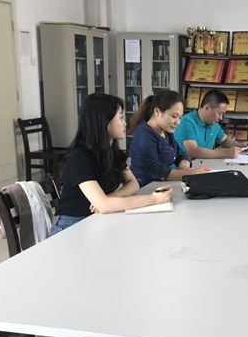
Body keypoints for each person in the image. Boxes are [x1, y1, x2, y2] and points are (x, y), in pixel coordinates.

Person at [50, 93, 172, 235]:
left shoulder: (111, 152)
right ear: (104, 121)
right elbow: (104, 206)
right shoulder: (79, 158)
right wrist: (154, 199)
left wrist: (111, 197)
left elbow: (133, 184)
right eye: (120, 117)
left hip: (96, 220)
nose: (125, 123)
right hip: (71, 226)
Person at [129, 90, 211, 187]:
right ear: (157, 112)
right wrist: (192, 173)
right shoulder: (143, 135)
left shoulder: (167, 132)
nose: (178, 123)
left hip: (161, 185)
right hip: (144, 188)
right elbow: (156, 171)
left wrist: (184, 163)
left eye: (180, 118)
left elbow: (181, 153)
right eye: (174, 116)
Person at [174, 89, 248, 159]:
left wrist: (240, 145)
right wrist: (226, 153)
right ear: (207, 108)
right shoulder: (187, 122)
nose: (221, 118)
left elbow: (225, 140)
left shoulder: (213, 124)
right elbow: (193, 151)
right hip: (186, 168)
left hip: (205, 166)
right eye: (219, 113)